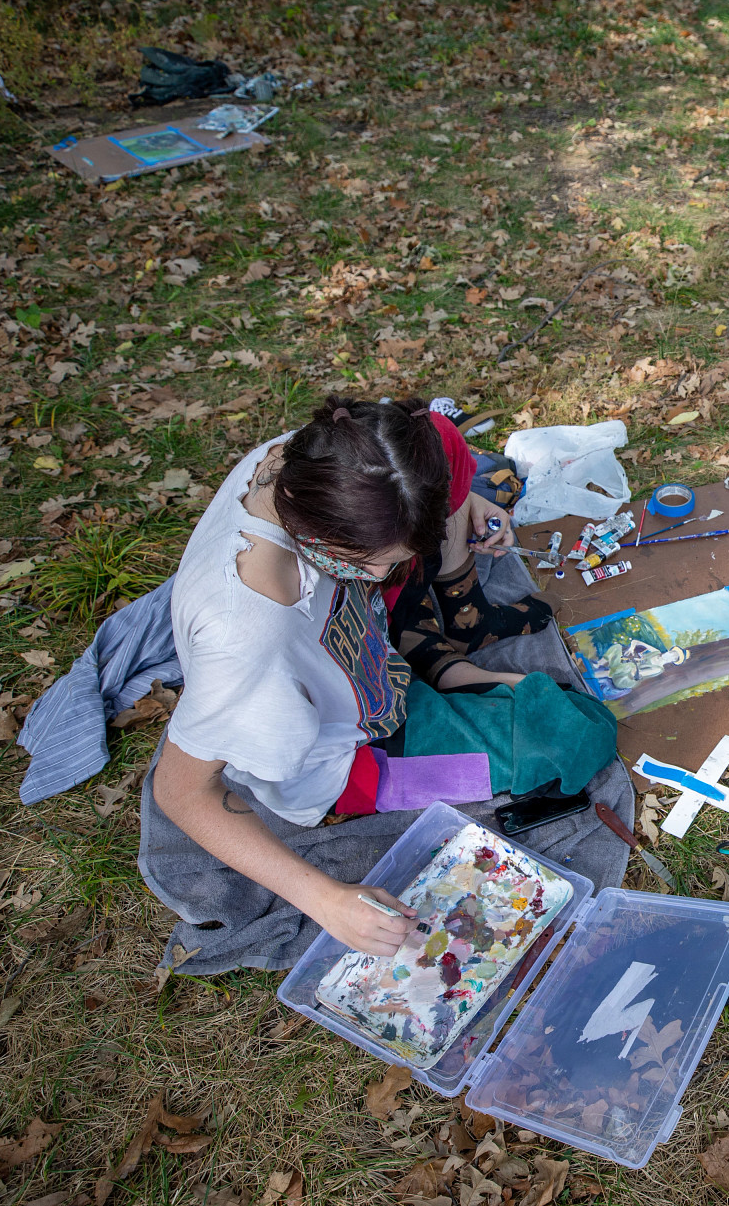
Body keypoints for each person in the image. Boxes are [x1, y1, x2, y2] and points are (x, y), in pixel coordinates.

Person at [148, 396, 554, 956]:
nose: (385, 573)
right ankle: (436, 661)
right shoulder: (246, 640)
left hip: (365, 660)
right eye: (375, 561)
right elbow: (181, 790)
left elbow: (410, 487)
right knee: (560, 743)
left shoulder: (312, 458)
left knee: (442, 442)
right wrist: (326, 900)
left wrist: (465, 502)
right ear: (316, 529)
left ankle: (438, 645)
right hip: (347, 761)